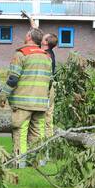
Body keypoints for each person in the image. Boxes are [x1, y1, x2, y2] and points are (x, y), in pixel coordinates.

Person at [1, 28, 53, 167]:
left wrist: (3, 95)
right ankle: (39, 163)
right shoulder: (46, 57)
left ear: (29, 36)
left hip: (22, 104)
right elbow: (50, 82)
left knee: (20, 133)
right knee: (38, 134)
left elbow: (13, 78)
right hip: (41, 104)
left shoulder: (21, 54)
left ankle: (19, 163)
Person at [40, 32, 59, 165]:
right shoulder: (48, 52)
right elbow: (37, 33)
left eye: (44, 37)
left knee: (45, 120)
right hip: (49, 88)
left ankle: (45, 154)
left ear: (45, 42)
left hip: (47, 90)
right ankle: (46, 151)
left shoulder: (46, 55)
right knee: (47, 119)